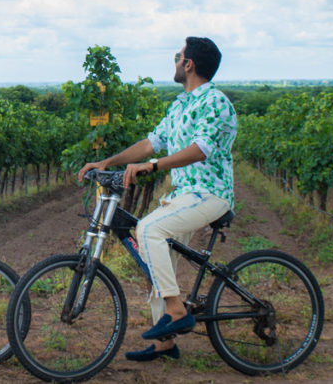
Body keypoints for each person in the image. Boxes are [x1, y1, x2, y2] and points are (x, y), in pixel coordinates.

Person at [78, 36, 237, 363]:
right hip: (183, 195)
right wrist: (108, 162)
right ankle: (165, 341)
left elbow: (200, 150)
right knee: (156, 262)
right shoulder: (180, 105)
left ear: (188, 63)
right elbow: (151, 143)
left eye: (178, 56)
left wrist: (152, 167)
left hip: (209, 193)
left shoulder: (215, 102)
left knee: (148, 230)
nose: (175, 60)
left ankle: (177, 312)